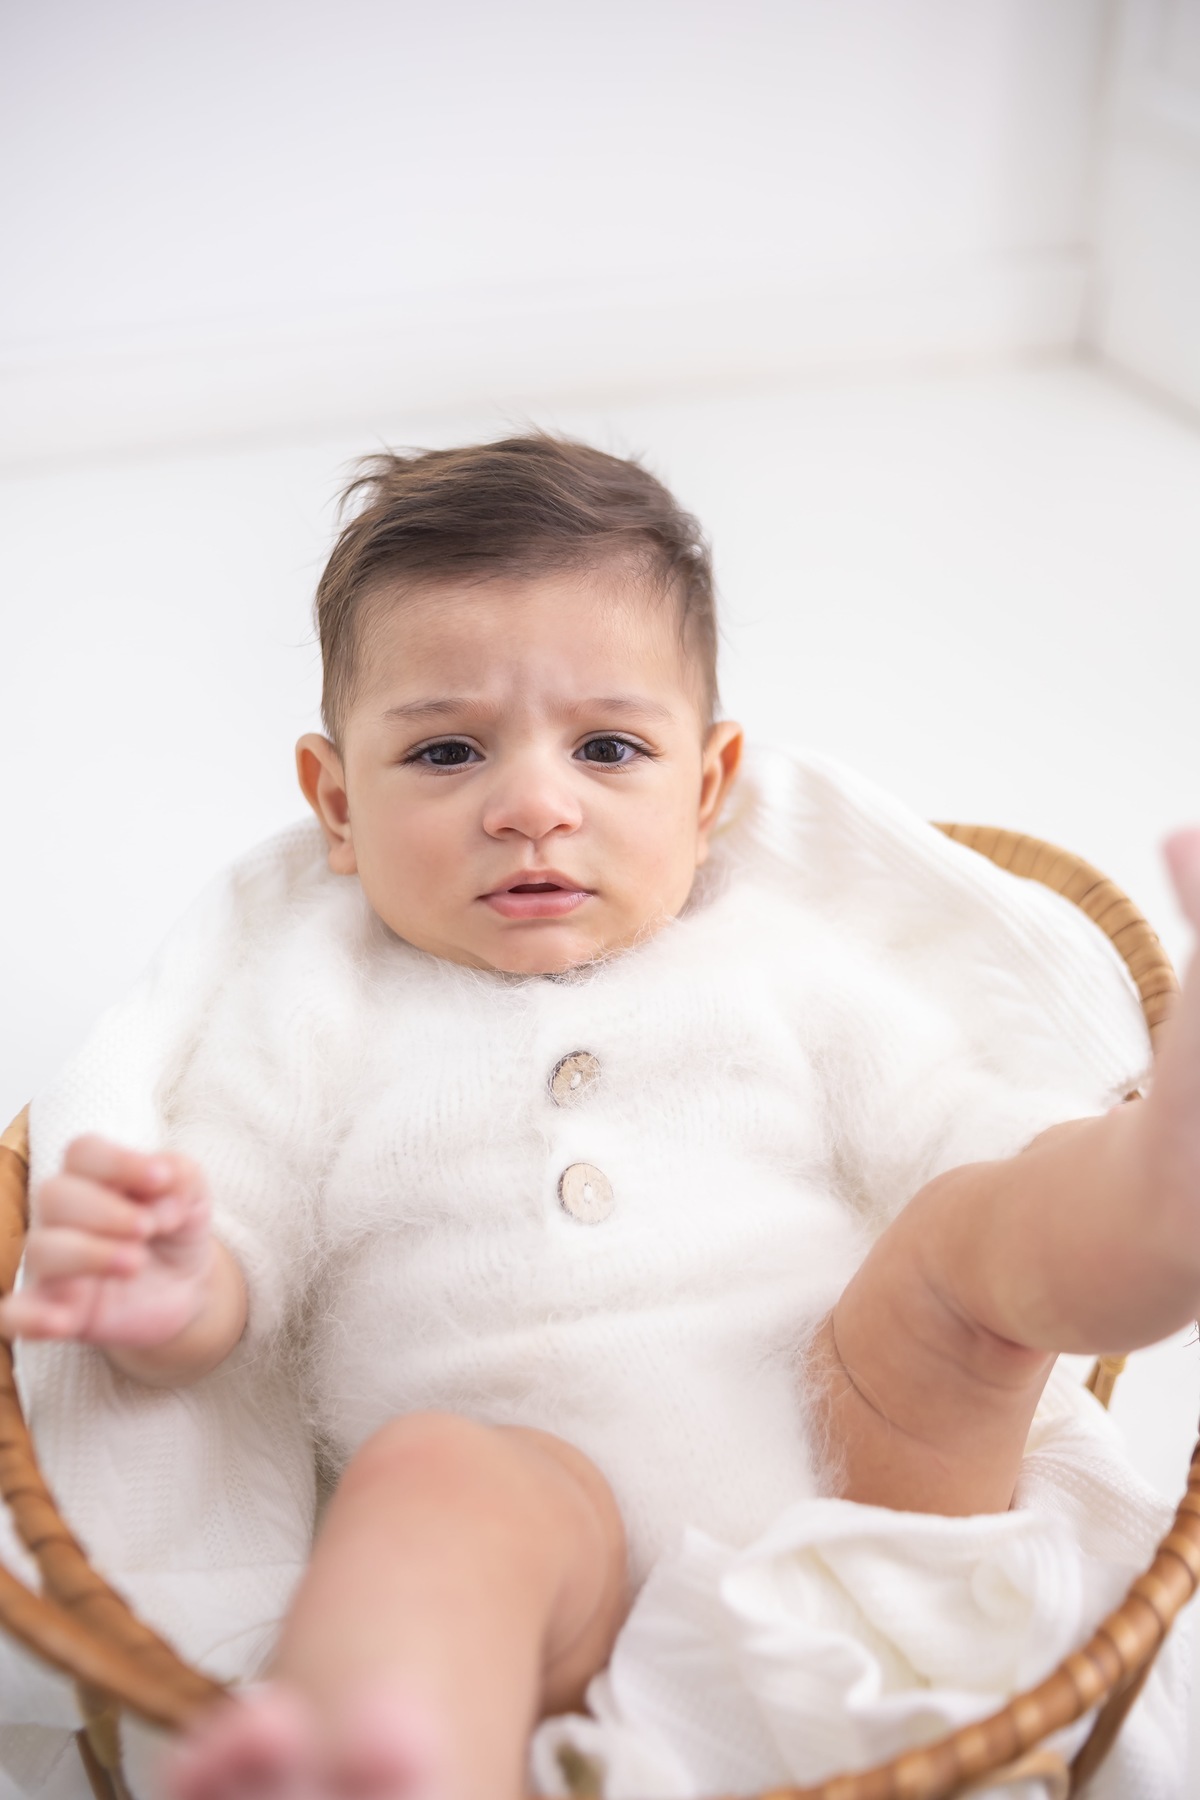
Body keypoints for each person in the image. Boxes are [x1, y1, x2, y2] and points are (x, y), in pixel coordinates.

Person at [1, 437, 1197, 1800]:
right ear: (337, 804)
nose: (531, 806)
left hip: (872, 1469)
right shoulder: (309, 998)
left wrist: (1062, 1175)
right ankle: (381, 1756)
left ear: (708, 787)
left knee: (965, 1241)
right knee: (433, 1479)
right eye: (446, 751)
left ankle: (1163, 1192)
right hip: (552, 1566)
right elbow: (242, 1243)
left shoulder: (779, 960)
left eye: (609, 748)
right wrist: (169, 1284)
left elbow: (958, 1124)